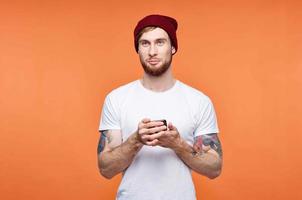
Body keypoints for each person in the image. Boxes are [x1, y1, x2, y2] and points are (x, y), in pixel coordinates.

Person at [97, 14, 223, 200]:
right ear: (138, 49)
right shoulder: (116, 99)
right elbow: (106, 169)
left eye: (160, 42)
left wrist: (177, 144)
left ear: (172, 47)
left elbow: (214, 168)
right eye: (145, 43)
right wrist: (136, 140)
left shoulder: (198, 101)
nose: (152, 51)